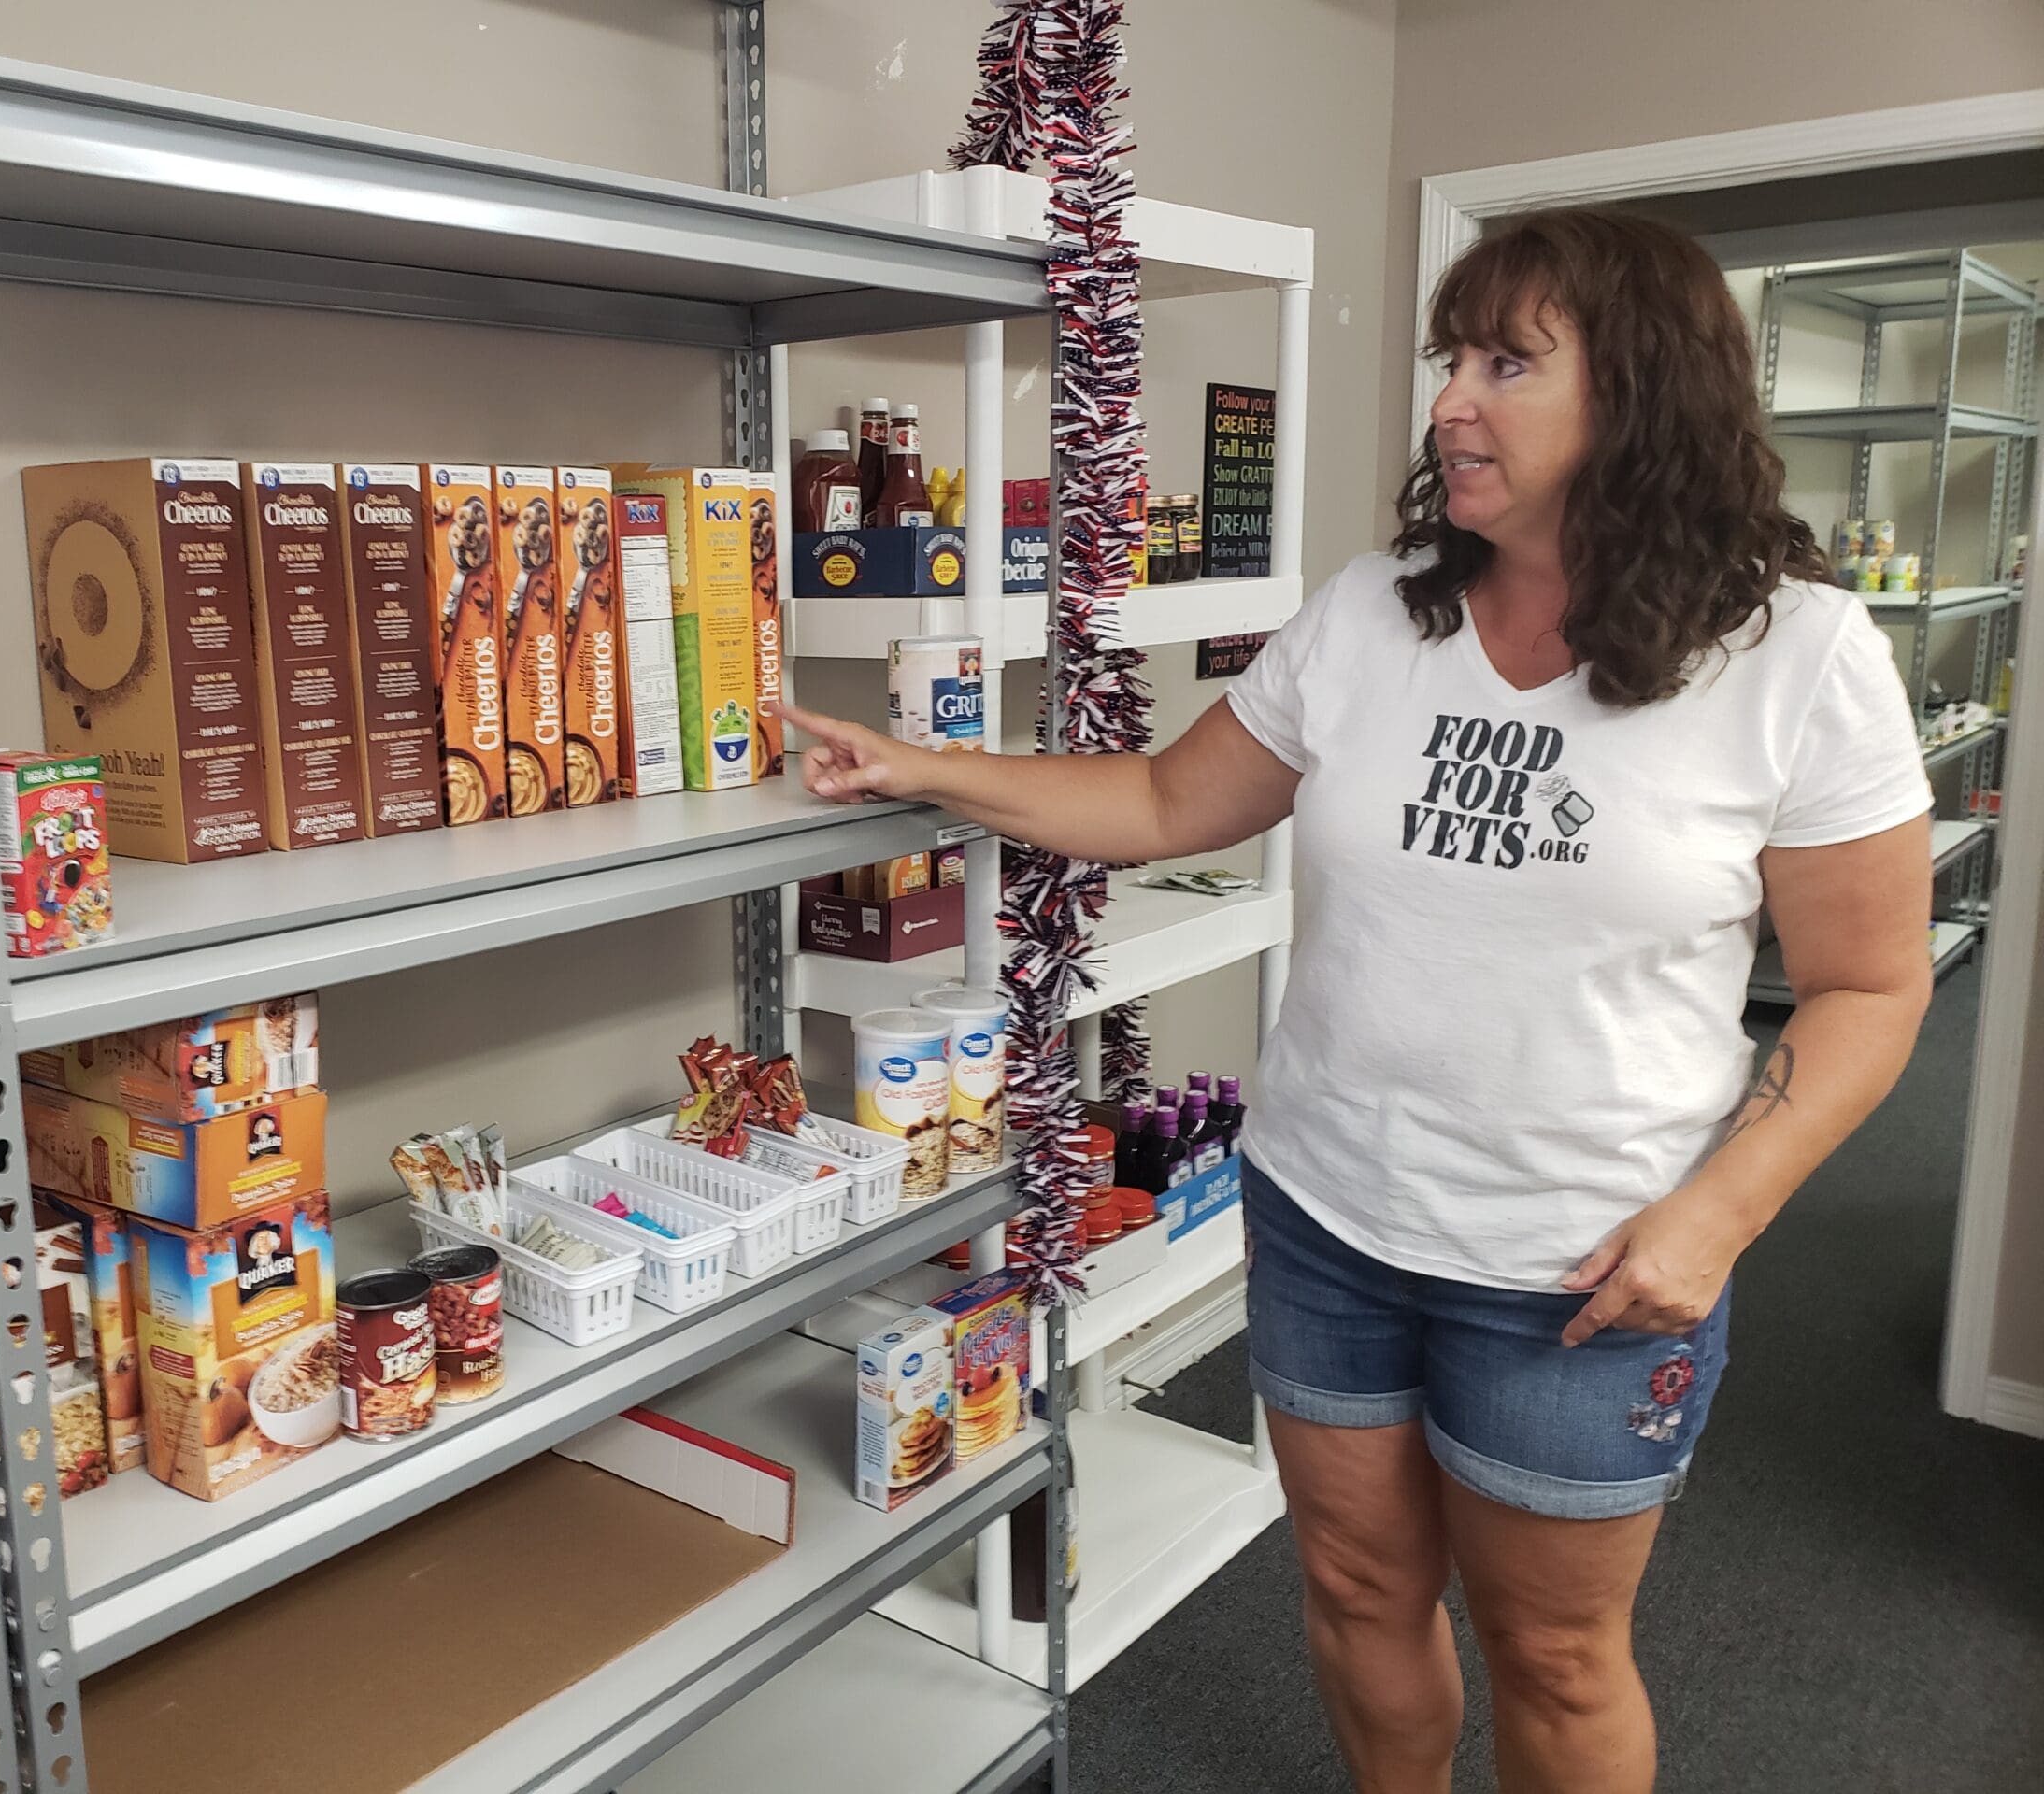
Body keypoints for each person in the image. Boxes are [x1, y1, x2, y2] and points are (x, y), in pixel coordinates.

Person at [786, 208, 1934, 1792]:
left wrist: (1720, 1215)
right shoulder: (1370, 611)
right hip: (1329, 1219)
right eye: (1450, 360)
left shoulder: (1796, 654)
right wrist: (923, 766)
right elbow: (1166, 802)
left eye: (1506, 363)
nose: (1449, 401)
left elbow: (1870, 986)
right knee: (1356, 1588)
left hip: (1586, 1265)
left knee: (1553, 1655)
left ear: (1643, 392)